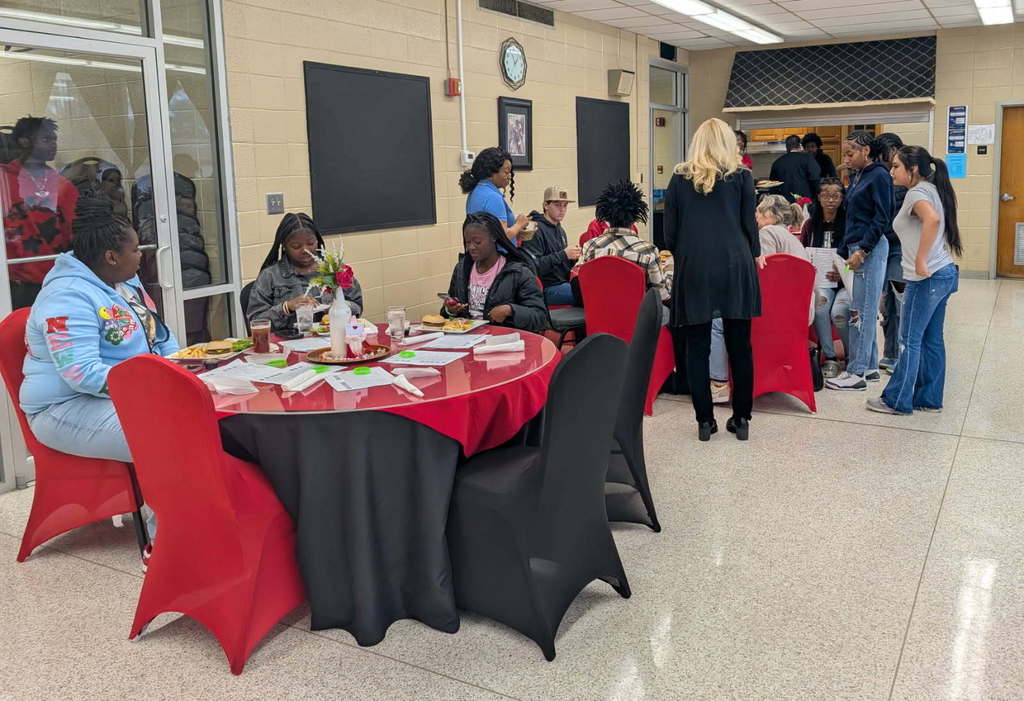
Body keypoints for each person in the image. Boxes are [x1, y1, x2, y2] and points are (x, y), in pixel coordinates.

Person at [20, 195, 180, 464]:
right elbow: (82, 373)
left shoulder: (125, 281)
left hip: (125, 393)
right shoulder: (67, 297)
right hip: (64, 408)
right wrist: (155, 387)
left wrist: (180, 371)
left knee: (204, 413)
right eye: (135, 250)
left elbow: (159, 334)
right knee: (170, 433)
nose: (141, 255)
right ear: (111, 257)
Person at [664, 117, 765, 442]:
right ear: (728, 143)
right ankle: (742, 418)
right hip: (736, 264)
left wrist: (686, 252)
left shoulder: (679, 179)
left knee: (697, 347)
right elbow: (749, 225)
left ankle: (705, 421)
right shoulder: (742, 177)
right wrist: (755, 253)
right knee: (740, 345)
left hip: (695, 265)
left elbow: (669, 233)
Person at [867, 146, 961, 415]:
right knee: (931, 340)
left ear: (914, 169)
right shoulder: (932, 189)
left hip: (926, 278)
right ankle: (928, 400)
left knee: (909, 339)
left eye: (896, 166)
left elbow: (931, 220)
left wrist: (920, 258)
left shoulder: (916, 193)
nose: (891, 171)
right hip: (943, 273)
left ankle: (896, 400)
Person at [825, 131, 894, 391]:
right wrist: (843, 252)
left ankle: (857, 373)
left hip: (870, 248)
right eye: (844, 153)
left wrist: (863, 250)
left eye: (850, 153)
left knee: (861, 312)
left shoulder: (879, 176)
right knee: (859, 308)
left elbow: (882, 218)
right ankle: (871, 366)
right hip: (856, 246)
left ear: (866, 151)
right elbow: (852, 219)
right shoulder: (858, 176)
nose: (846, 158)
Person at [0, 117, 79, 309]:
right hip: (13, 282)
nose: (53, 144)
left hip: (56, 279)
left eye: (54, 139)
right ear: (24, 141)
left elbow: (74, 233)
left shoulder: (64, 185)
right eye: (46, 139)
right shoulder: (4, 178)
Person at [246, 212, 363, 334]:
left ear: (318, 241)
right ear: (284, 246)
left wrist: (340, 307)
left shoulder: (335, 270)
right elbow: (255, 322)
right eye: (296, 246)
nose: (306, 250)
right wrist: (286, 307)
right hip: (288, 341)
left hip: (333, 338)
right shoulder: (270, 276)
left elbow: (357, 305)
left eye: (311, 243)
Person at [443, 212, 548, 333]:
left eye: (477, 242)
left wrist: (511, 310)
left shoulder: (518, 272)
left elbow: (540, 317)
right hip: (467, 337)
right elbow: (447, 313)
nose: (471, 247)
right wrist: (449, 310)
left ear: (493, 237)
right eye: (467, 242)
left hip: (501, 338)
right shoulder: (462, 269)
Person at [575, 180, 668, 307]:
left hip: (599, 315)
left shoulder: (589, 247)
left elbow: (578, 283)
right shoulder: (648, 251)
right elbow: (661, 295)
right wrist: (669, 274)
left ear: (605, 215)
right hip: (637, 317)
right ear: (636, 215)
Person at [801, 178, 850, 379]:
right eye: (826, 196)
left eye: (835, 196)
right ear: (819, 198)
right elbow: (802, 252)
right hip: (822, 282)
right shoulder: (810, 225)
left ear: (842, 198)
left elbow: (858, 255)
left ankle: (851, 355)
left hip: (847, 282)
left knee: (839, 312)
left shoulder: (849, 223)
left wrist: (843, 272)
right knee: (820, 308)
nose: (831, 200)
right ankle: (830, 356)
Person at [875, 132, 907, 373]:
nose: (887, 165)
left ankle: (897, 354)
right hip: (881, 244)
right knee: (885, 302)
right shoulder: (881, 176)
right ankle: (890, 352)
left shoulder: (906, 179)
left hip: (899, 246)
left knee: (897, 301)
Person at [523, 186, 580, 305]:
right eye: (557, 205)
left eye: (565, 205)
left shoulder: (560, 229)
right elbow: (533, 267)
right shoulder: (535, 230)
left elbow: (561, 264)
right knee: (588, 293)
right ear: (546, 205)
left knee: (594, 286)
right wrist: (564, 254)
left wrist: (574, 258)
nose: (562, 210)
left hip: (563, 282)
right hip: (546, 289)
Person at [459, 147, 529, 242]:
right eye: (506, 172)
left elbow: (489, 232)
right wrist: (519, 224)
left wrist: (516, 232)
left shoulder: (475, 192)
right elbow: (502, 237)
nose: (509, 176)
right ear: (491, 172)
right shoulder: (493, 197)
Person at [770, 135, 821, 203]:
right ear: (800, 145)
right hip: (805, 201)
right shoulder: (808, 158)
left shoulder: (777, 162)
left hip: (785, 202)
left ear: (786, 147)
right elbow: (815, 178)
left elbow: (773, 186)